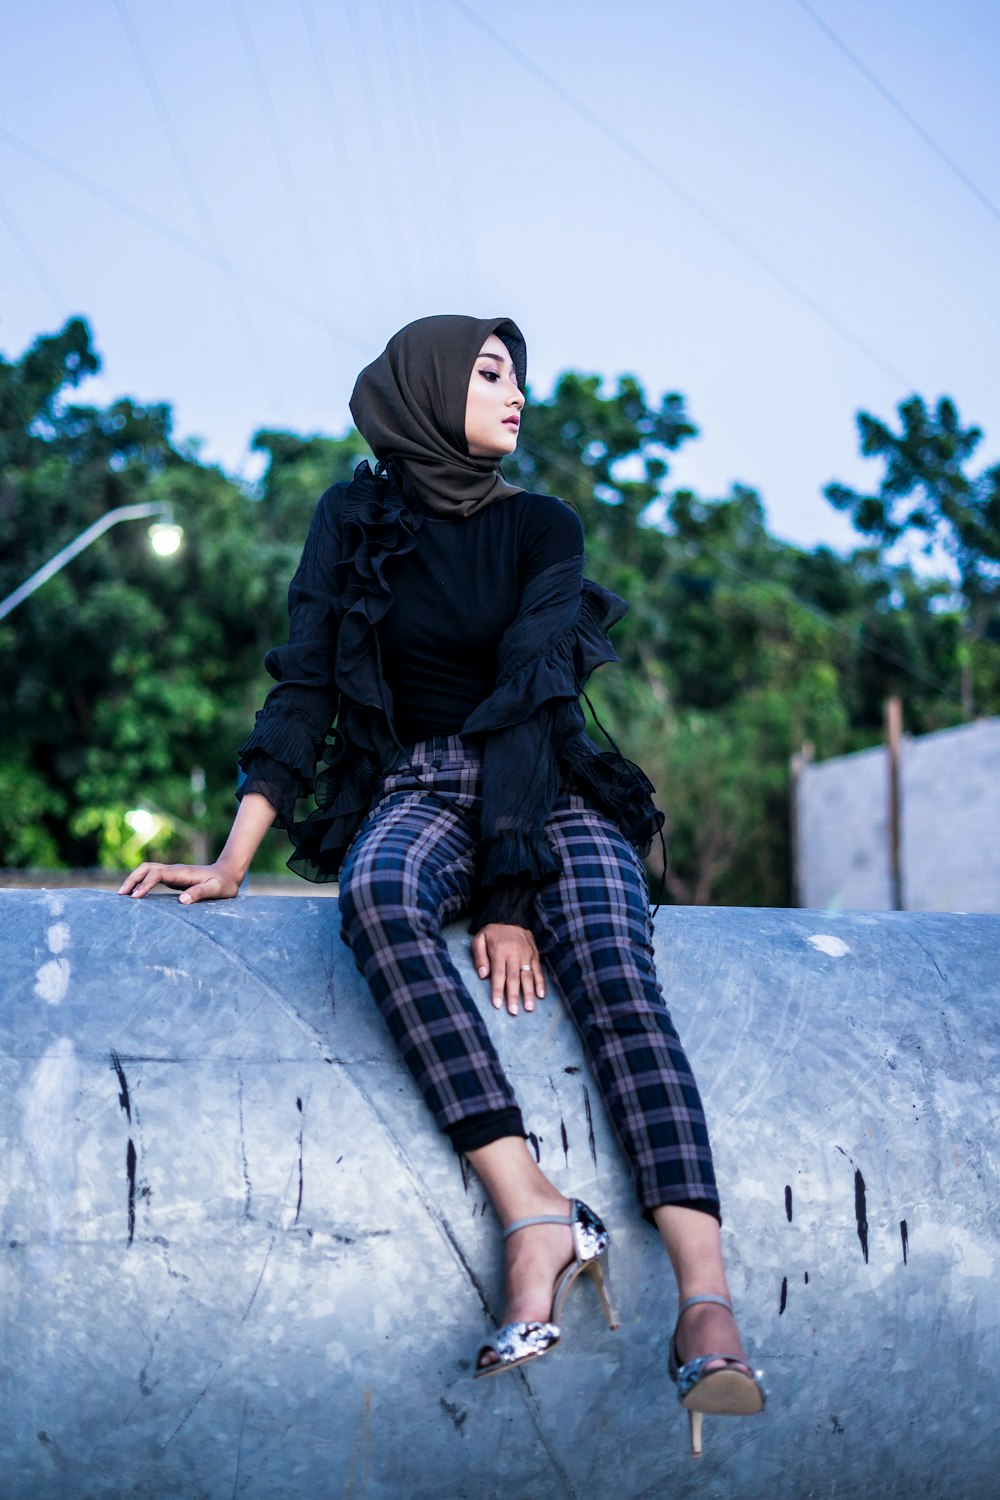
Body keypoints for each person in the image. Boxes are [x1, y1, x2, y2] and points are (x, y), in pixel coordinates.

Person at [120, 314, 764, 1456]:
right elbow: (305, 689)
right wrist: (230, 857)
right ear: (424, 388)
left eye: (520, 375)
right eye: (488, 372)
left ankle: (706, 1303)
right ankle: (532, 1212)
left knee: (612, 963)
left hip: (549, 785)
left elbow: (532, 697)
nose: (516, 394)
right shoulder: (352, 521)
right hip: (419, 784)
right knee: (374, 897)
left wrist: (512, 900)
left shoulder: (541, 526)